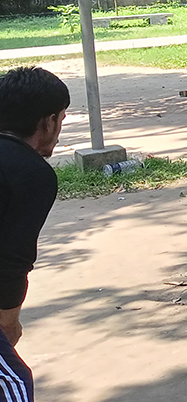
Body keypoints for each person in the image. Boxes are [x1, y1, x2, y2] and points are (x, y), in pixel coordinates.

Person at [0, 67, 67, 401]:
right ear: (49, 121)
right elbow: (12, 261)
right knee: (13, 382)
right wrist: (8, 323)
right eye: (61, 121)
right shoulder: (30, 174)